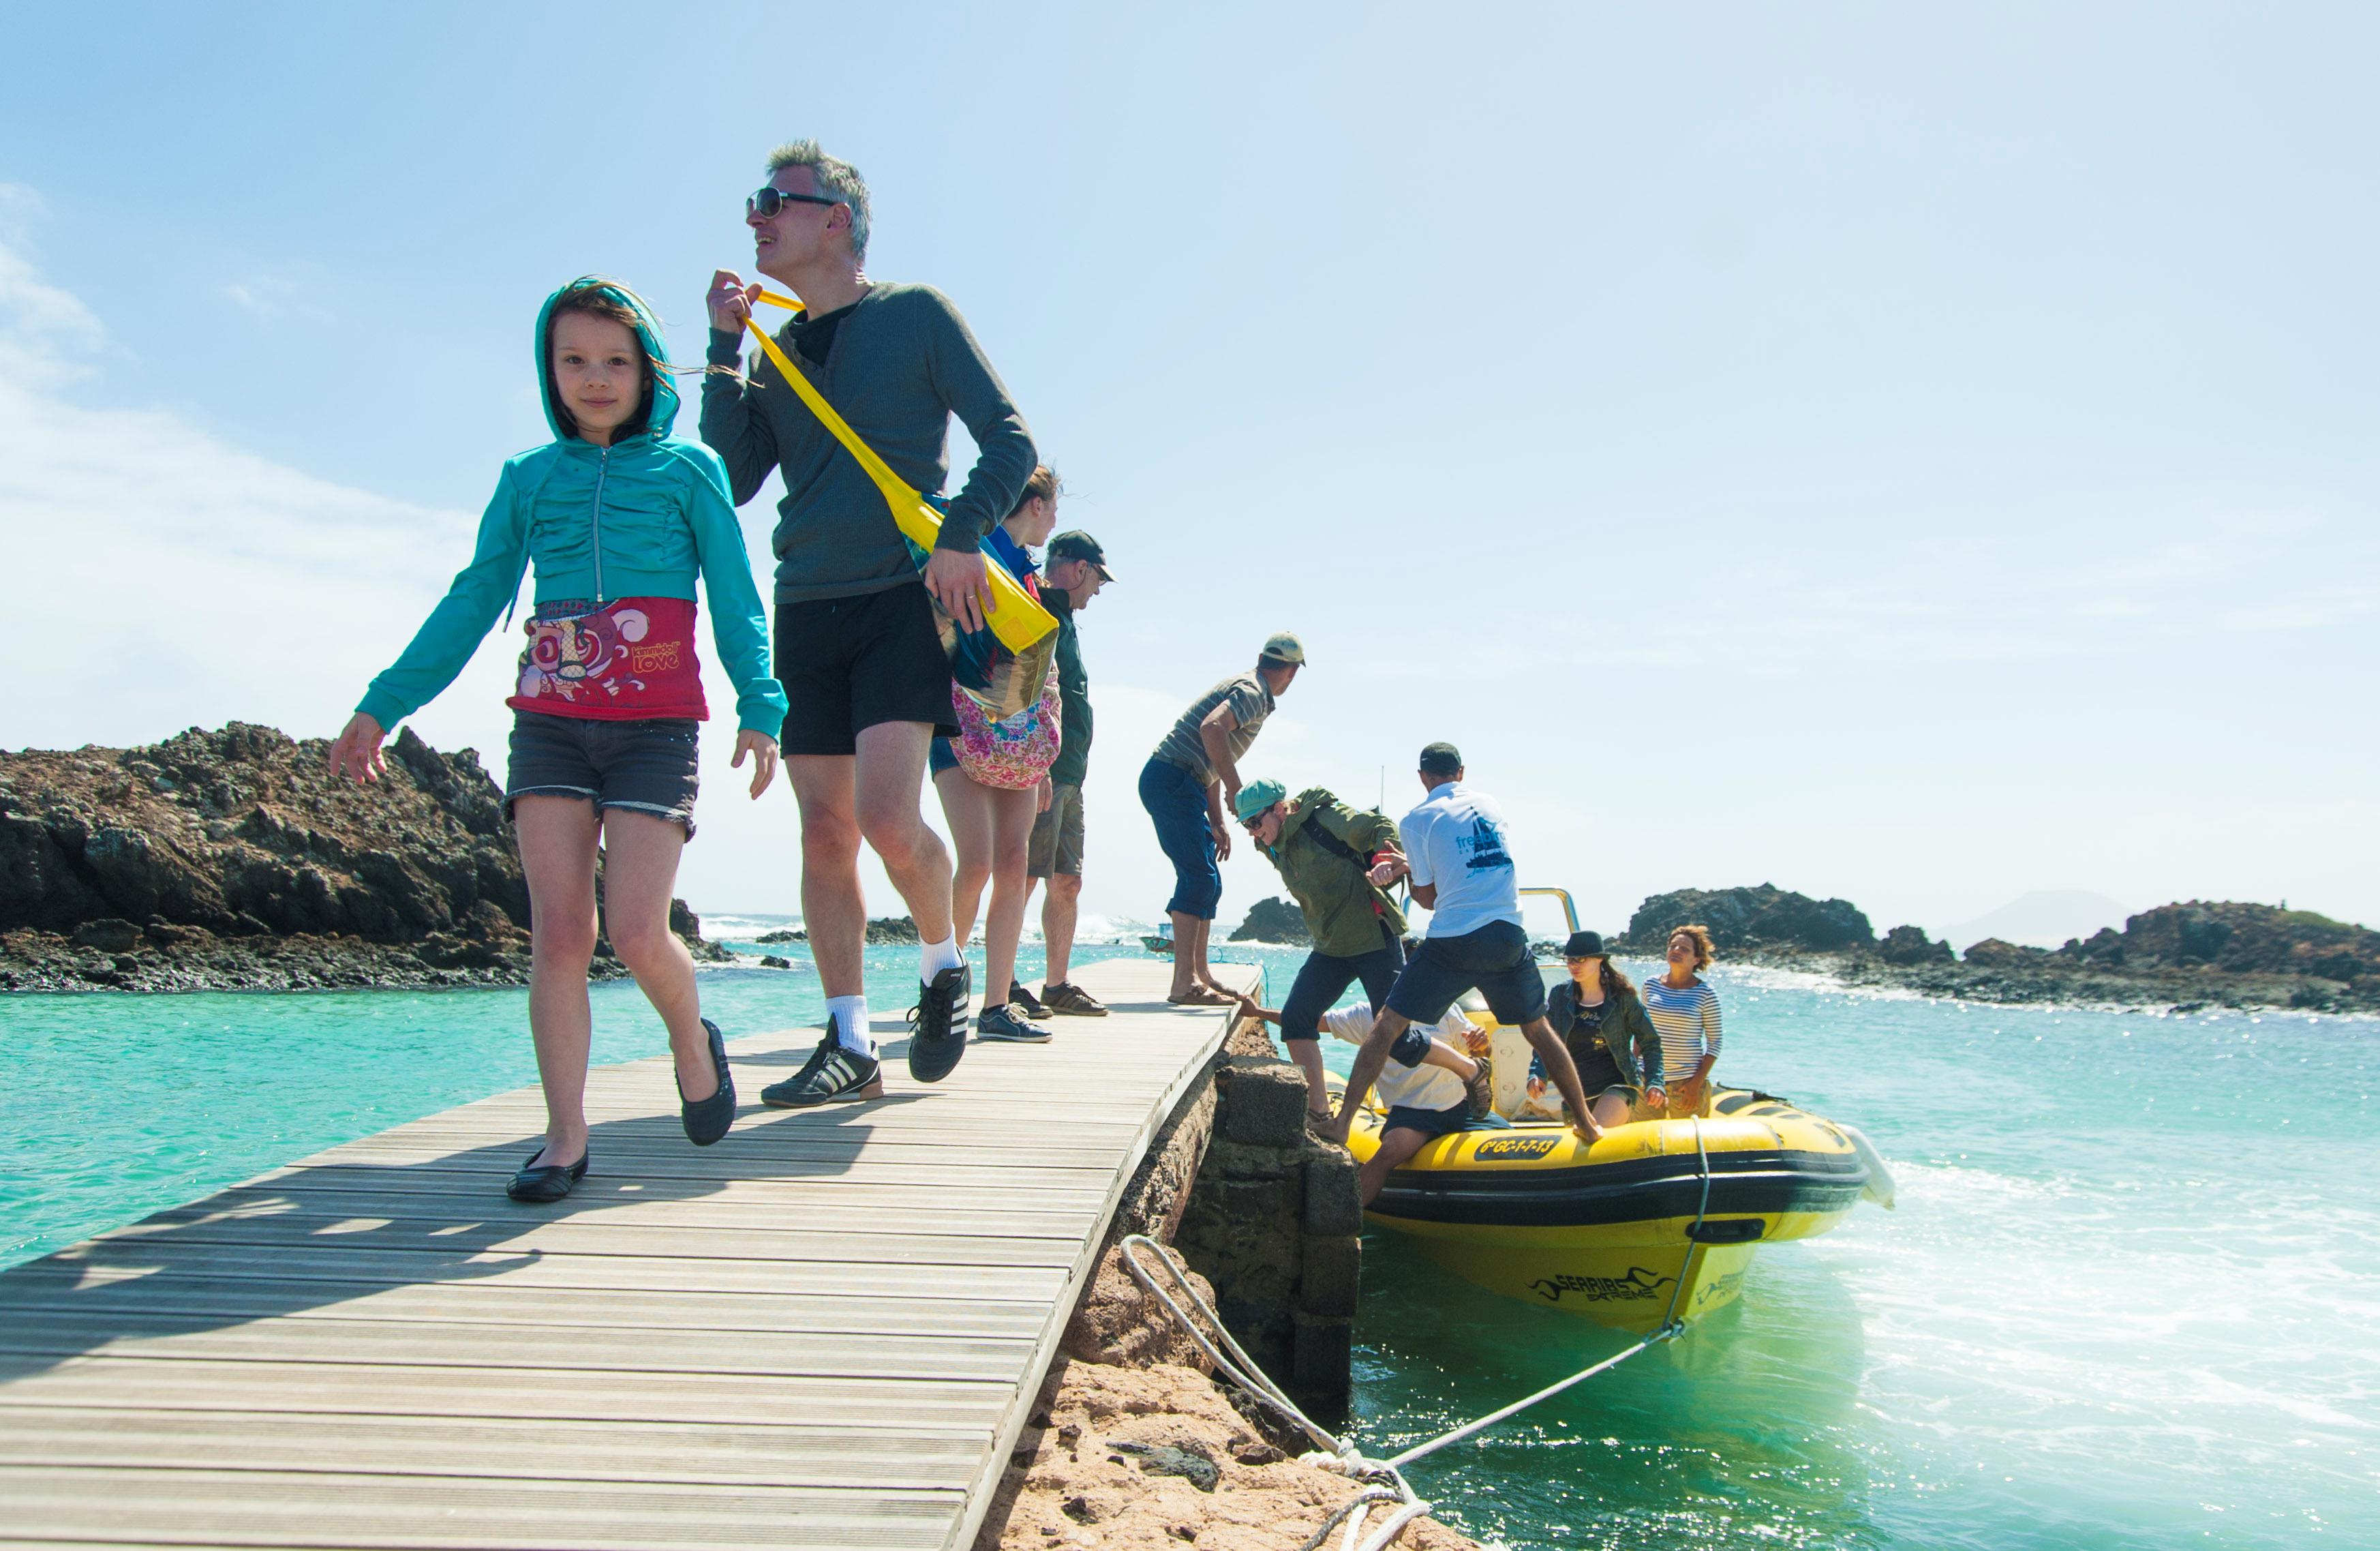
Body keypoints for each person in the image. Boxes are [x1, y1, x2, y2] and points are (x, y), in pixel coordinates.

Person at [329, 279, 786, 1203]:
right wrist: (383, 704)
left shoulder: (690, 470)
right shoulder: (527, 478)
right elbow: (471, 598)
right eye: (574, 359)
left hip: (656, 729)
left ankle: (692, 1039)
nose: (595, 377)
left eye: (615, 360)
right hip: (549, 725)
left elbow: (735, 597)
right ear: (550, 369)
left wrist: (761, 703)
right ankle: (565, 1136)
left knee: (634, 927)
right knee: (562, 933)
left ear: (647, 366)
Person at [701, 139, 1037, 1102]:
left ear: (835, 218)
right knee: (822, 835)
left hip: (899, 594)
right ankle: (849, 1037)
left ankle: (942, 965)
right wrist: (726, 349)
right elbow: (734, 475)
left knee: (890, 814)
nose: (758, 218)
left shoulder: (914, 314)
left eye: (775, 201)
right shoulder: (775, 348)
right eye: (755, 203)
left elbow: (1010, 438)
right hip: (804, 600)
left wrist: (964, 533)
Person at [1326, 742, 1599, 1158]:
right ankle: (1585, 1120)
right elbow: (1467, 861)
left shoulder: (1416, 819)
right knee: (1537, 1030)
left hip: (1454, 939)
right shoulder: (1490, 803)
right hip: (1508, 934)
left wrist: (1408, 871)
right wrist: (1413, 865)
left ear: (1423, 778)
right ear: (1462, 772)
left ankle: (1342, 1123)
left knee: (1387, 1025)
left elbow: (1428, 898)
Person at [932, 466, 1063, 1043]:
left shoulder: (1029, 575)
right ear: (1034, 505)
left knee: (1013, 866)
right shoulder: (972, 549)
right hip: (956, 726)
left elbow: (1038, 672)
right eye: (1053, 508)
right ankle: (944, 987)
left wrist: (1043, 763)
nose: (1056, 521)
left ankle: (995, 1003)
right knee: (978, 861)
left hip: (1016, 740)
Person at [1139, 634, 1304, 1004]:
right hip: (1173, 778)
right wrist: (1236, 790)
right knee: (1197, 876)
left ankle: (1200, 975)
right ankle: (1184, 984)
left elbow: (1211, 759)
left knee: (1208, 878)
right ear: (1292, 673)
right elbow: (1211, 729)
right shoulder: (1253, 692)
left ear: (1262, 657)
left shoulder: (1249, 686)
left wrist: (1217, 821)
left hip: (1182, 780)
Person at [1233, 778, 1412, 1118]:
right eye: (1246, 825)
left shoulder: (1323, 820)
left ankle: (1468, 1070)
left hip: (1374, 938)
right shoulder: (1270, 843)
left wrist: (1386, 859)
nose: (1252, 832)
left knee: (1396, 1037)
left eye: (1256, 822)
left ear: (1281, 809)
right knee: (1297, 1019)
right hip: (1331, 946)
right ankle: (1319, 1114)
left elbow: (1377, 826)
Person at [1236, 993, 1489, 1203]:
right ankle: (1344, 1214)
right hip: (1414, 1112)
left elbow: (1480, 1050)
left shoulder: (1445, 1008)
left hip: (1460, 1104)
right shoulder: (1369, 1014)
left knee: (1505, 1137)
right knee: (1390, 1151)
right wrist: (1259, 1012)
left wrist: (1482, 1044)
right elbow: (1312, 1022)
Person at [1020, 528, 1112, 1018]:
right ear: (1080, 568)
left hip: (1072, 773)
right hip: (1044, 769)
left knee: (1067, 879)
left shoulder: (1067, 618)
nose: (1096, 592)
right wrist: (1039, 765)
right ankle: (1006, 982)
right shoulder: (1036, 603)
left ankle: (1056, 984)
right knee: (1026, 874)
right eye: (1096, 580)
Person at [1524, 930, 1667, 1128]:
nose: (1574, 965)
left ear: (1599, 959)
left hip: (1617, 1085)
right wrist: (1537, 1073)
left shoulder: (1622, 997)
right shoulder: (1559, 995)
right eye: (1569, 959)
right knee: (1581, 1152)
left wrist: (1655, 1082)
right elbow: (1546, 1041)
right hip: (1575, 1093)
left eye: (1581, 959)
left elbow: (1651, 1042)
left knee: (1593, 1133)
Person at [1643, 923, 1723, 1115]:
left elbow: (1715, 1043)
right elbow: (1642, 1032)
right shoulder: (1650, 985)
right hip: (1649, 1078)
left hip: (1686, 1082)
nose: (1676, 950)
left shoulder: (1705, 993)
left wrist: (1696, 1084)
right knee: (1644, 1144)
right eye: (1673, 946)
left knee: (1691, 1143)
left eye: (1684, 949)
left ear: (1696, 959)